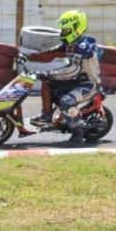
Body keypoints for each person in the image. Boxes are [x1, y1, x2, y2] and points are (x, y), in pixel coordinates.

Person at [25, 10, 100, 145]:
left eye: (65, 30)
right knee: (46, 83)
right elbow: (51, 53)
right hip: (76, 81)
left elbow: (73, 70)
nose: (62, 33)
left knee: (66, 101)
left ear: (76, 29)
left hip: (88, 84)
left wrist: (51, 74)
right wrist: (28, 56)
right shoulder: (70, 44)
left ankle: (77, 137)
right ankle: (47, 116)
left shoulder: (83, 47)